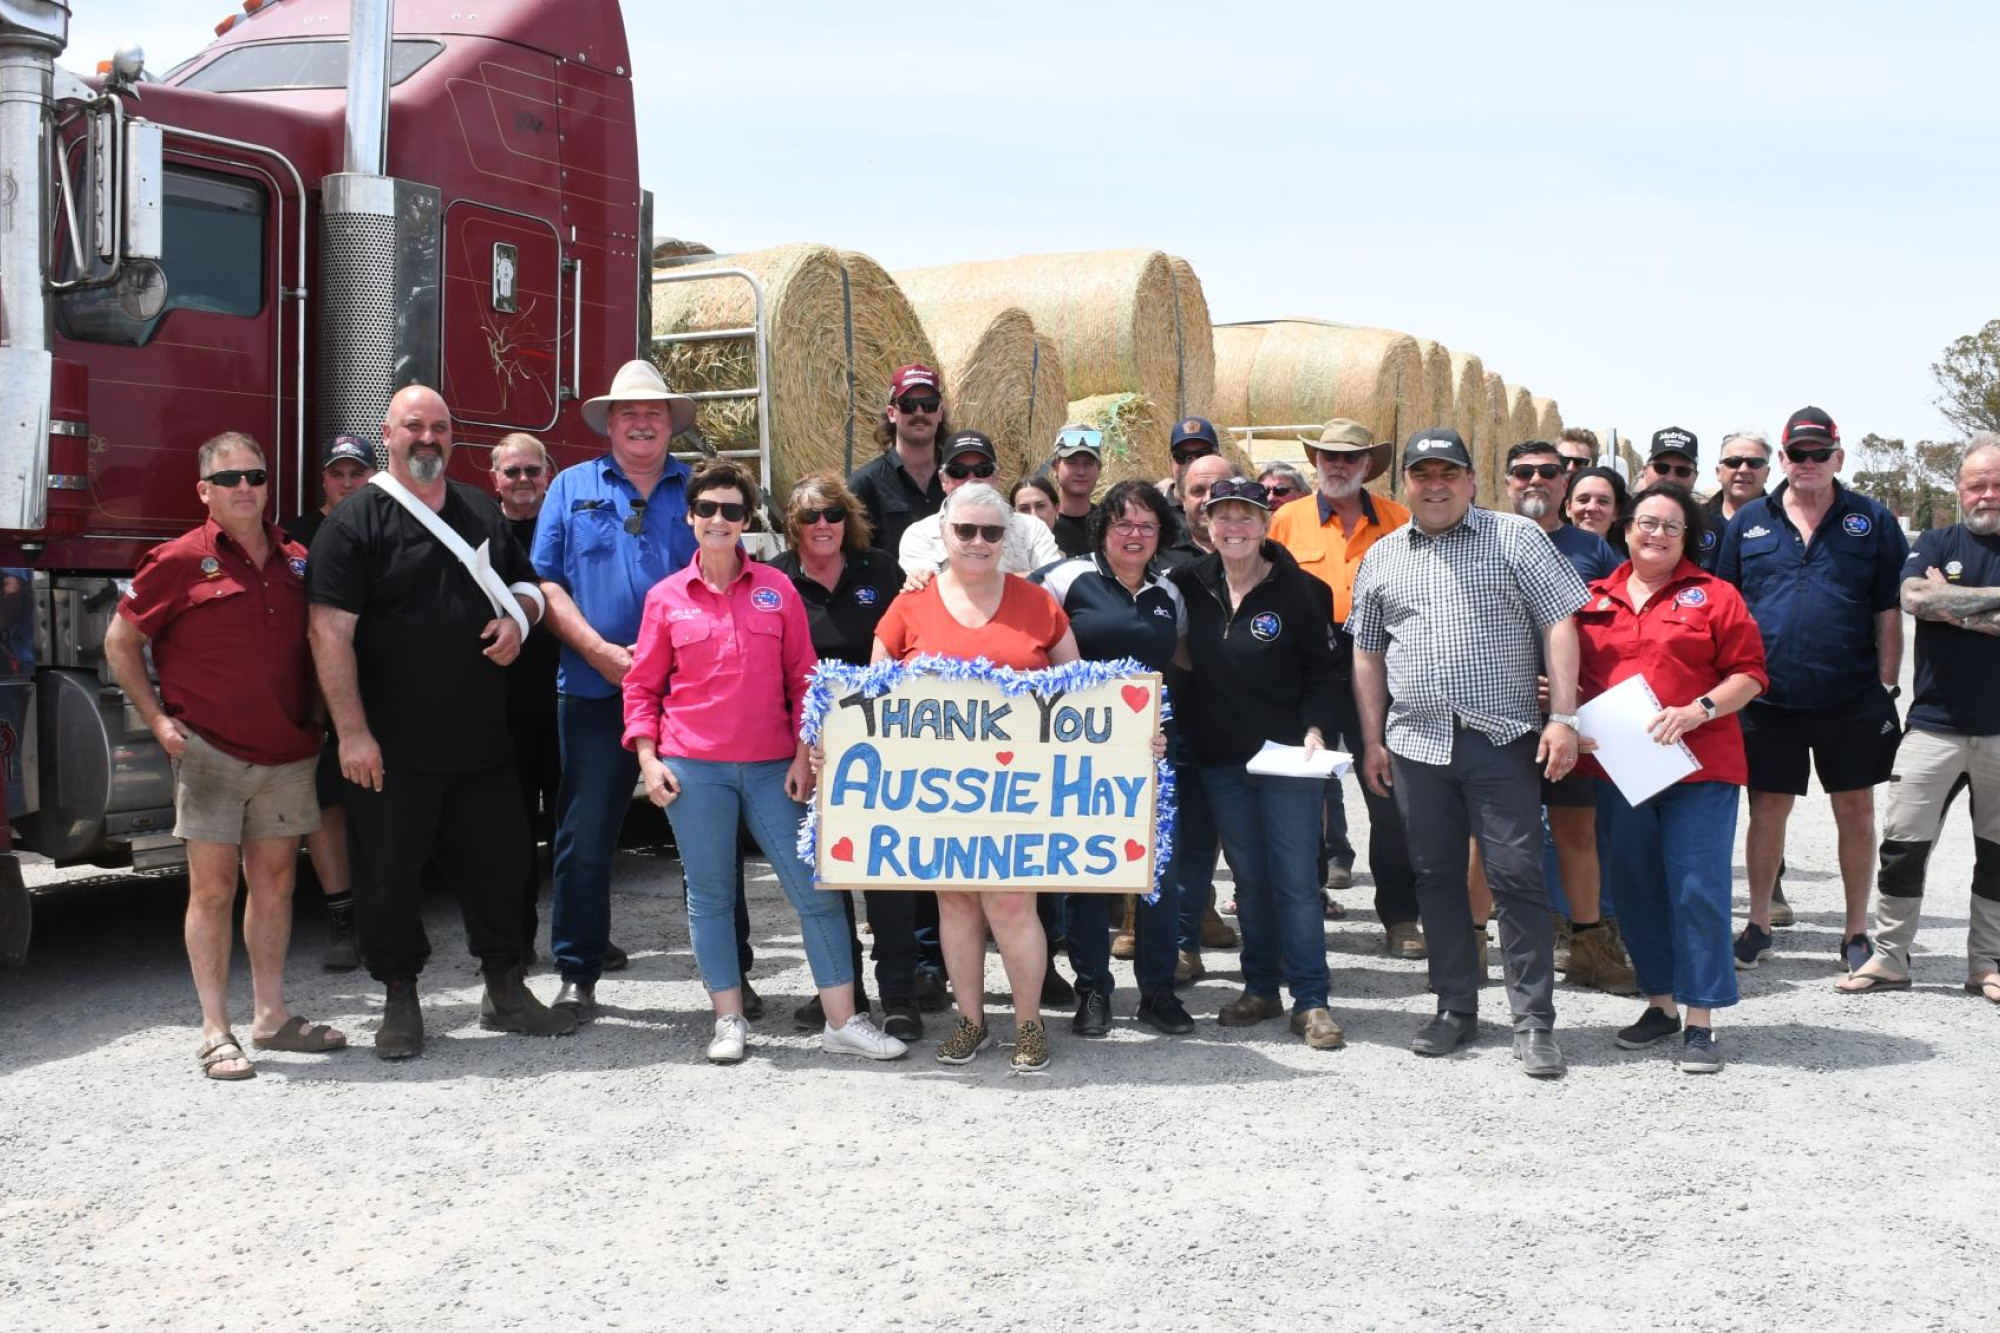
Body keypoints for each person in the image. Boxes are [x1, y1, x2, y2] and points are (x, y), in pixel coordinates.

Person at [308, 384, 575, 1059]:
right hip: (390, 749)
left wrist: (519, 622)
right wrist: (353, 733)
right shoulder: (354, 524)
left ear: (453, 437)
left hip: (483, 741)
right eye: (413, 428)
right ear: (388, 435)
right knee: (389, 877)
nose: (427, 439)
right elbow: (328, 634)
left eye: (439, 428)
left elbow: (527, 586)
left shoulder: (479, 508)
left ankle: (506, 990)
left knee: (501, 866)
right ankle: (400, 999)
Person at [625, 462, 904, 1064]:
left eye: (731, 510)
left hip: (775, 764)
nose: (718, 520)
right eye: (707, 509)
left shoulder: (776, 592)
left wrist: (804, 753)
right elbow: (642, 688)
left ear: (746, 520)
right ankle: (728, 1019)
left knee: (815, 892)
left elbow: (804, 679)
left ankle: (842, 1020)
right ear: (691, 517)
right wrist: (649, 761)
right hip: (693, 768)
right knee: (711, 897)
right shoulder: (665, 599)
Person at [1348, 429, 1589, 1078]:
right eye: (1421, 474)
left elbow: (1560, 622)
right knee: (1434, 876)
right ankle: (1455, 1006)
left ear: (1472, 481)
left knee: (1516, 876)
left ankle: (1534, 1021)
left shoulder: (1516, 539)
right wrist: (1372, 737)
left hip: (1502, 737)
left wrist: (1563, 717)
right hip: (1417, 743)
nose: (1435, 484)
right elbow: (1367, 653)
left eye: (1447, 473)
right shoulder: (1383, 555)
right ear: (1404, 485)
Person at [106, 432, 344, 1080]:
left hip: (287, 751)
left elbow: (323, 644)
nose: (245, 487)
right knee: (212, 890)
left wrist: (320, 720)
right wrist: (156, 720)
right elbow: (120, 640)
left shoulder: (299, 559)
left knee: (276, 884)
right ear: (204, 490)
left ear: (269, 486)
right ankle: (216, 1030)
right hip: (210, 752)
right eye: (230, 477)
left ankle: (271, 1016)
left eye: (256, 476)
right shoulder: (179, 559)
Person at [870, 483, 1082, 1072]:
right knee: (956, 904)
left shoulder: (1039, 604)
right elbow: (868, 701)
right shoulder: (907, 606)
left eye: (992, 532)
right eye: (966, 530)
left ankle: (1030, 1023)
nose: (979, 542)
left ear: (1008, 538)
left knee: (1013, 904)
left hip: (1021, 788)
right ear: (943, 534)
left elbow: (1084, 698)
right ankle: (970, 1020)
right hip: (936, 790)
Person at [533, 361, 713, 1018]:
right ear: (610, 422)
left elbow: (725, 581)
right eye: (629, 412)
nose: (642, 422)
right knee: (585, 832)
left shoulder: (700, 490)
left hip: (691, 692)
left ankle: (730, 973)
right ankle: (577, 971)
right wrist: (602, 652)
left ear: (670, 423)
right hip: (593, 686)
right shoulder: (569, 487)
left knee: (707, 834)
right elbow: (546, 583)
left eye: (655, 412)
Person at [1576, 484, 1768, 1073]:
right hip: (1623, 770)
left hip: (1700, 768)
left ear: (1688, 537)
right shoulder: (1589, 599)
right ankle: (1659, 1003)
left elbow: (1751, 674)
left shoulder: (1715, 596)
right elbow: (1574, 677)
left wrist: (1698, 710)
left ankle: (1701, 1020)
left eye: (1670, 526)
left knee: (1697, 889)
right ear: (1626, 528)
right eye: (1646, 522)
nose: (1655, 533)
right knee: (1634, 887)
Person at [1717, 406, 1907, 974]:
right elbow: (1726, 608)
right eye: (1796, 454)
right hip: (1766, 698)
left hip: (1849, 695)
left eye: (1817, 454)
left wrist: (1888, 686)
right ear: (1782, 459)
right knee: (1768, 807)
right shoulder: (1749, 520)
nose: (1807, 463)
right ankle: (1757, 923)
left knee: (1855, 810)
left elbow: (1889, 610)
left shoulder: (1871, 520)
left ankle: (1854, 931)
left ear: (1837, 459)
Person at [1171, 477, 1346, 1049]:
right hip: (1222, 760)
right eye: (1223, 516)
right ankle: (1262, 987)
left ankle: (1312, 1000)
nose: (1234, 527)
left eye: (1246, 516)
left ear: (1266, 524)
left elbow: (1325, 672)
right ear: (1206, 525)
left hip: (1289, 760)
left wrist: (1317, 728)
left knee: (1295, 880)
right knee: (1249, 880)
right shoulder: (1188, 584)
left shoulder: (1302, 592)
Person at [1034, 479, 1196, 1037]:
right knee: (1087, 874)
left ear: (1160, 535)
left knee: (1158, 874)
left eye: (1146, 525)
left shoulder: (1167, 594)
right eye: (1122, 523)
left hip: (1152, 752)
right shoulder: (1064, 578)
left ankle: (1157, 991)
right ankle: (1093, 990)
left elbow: (1180, 662)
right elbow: (1013, 624)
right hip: (1080, 753)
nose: (1134, 534)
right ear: (1102, 527)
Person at [1839, 438, 2000, 1002]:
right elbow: (1914, 599)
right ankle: (1889, 958)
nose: (1987, 494)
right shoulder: (1936, 540)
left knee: (1996, 852)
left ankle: (1986, 963)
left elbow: (1937, 602)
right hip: (1932, 724)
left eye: (1997, 484)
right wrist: (1966, 602)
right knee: (1903, 846)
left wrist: (1951, 598)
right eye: (1977, 484)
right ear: (1959, 490)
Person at [767, 472, 919, 1039]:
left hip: (883, 742)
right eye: (810, 517)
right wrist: (799, 751)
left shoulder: (879, 568)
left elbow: (912, 636)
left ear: (847, 517)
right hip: (812, 749)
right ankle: (844, 991)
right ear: (793, 525)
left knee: (888, 876)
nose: (823, 525)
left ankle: (901, 994)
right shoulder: (776, 578)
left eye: (832, 513)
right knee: (826, 877)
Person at [1265, 420, 1424, 959]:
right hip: (1308, 669)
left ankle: (1401, 917)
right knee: (1300, 793)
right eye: (1328, 456)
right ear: (1315, 461)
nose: (1337, 465)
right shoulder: (1286, 520)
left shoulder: (1401, 521)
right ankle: (1300, 906)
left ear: (1367, 467)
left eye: (1349, 458)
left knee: (1389, 794)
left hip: (1380, 666)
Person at [1500, 440, 1633, 993]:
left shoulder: (1593, 549)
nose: (1536, 481)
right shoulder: (1484, 539)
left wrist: (1569, 693)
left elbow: (1620, 632)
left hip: (1570, 715)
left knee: (1577, 831)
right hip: (1500, 716)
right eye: (1523, 472)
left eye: (1548, 472)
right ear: (1507, 481)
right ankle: (1474, 953)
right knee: (1491, 838)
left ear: (1564, 482)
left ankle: (1590, 947)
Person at [282, 434, 375, 972]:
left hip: (381, 688)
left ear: (371, 475)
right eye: (337, 473)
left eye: (356, 473)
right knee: (326, 807)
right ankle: (342, 921)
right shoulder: (295, 537)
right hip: (318, 694)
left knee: (382, 804)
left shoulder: (386, 524)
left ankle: (385, 912)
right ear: (323, 477)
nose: (346, 482)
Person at [487, 432, 579, 966]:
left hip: (568, 698)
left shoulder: (565, 528)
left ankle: (578, 937)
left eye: (532, 471)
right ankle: (517, 941)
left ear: (548, 474)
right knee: (513, 831)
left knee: (573, 829)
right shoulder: (479, 532)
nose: (523, 481)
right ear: (494, 478)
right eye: (512, 472)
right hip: (508, 705)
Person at [1152, 450, 1241, 981]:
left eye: (1221, 489)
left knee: (1250, 849)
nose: (1209, 501)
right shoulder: (1161, 563)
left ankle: (1268, 957)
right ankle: (1181, 942)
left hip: (1244, 728)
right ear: (1182, 500)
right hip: (1179, 726)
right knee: (1183, 841)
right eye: (1197, 491)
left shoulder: (1268, 557)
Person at [898, 430, 1061, 577]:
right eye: (958, 471)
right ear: (943, 480)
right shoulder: (920, 535)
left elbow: (1055, 582)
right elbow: (931, 596)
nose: (971, 479)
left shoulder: (1032, 529)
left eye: (982, 470)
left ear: (996, 477)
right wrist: (1027, 577)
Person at [848, 364, 947, 558]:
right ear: (891, 413)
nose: (919, 413)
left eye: (929, 404)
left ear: (940, 413)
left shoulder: (960, 477)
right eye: (909, 404)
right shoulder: (863, 486)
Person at [1048, 425, 1103, 557]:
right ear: (1055, 468)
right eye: (1071, 463)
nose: (1081, 472)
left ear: (1099, 469)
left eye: (1088, 463)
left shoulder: (1109, 524)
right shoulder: (1042, 524)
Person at [1566, 466, 1631, 559]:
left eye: (1603, 501)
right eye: (1583, 500)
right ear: (1568, 507)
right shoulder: (1546, 555)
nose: (1592, 508)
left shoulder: (1631, 568)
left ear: (1616, 512)